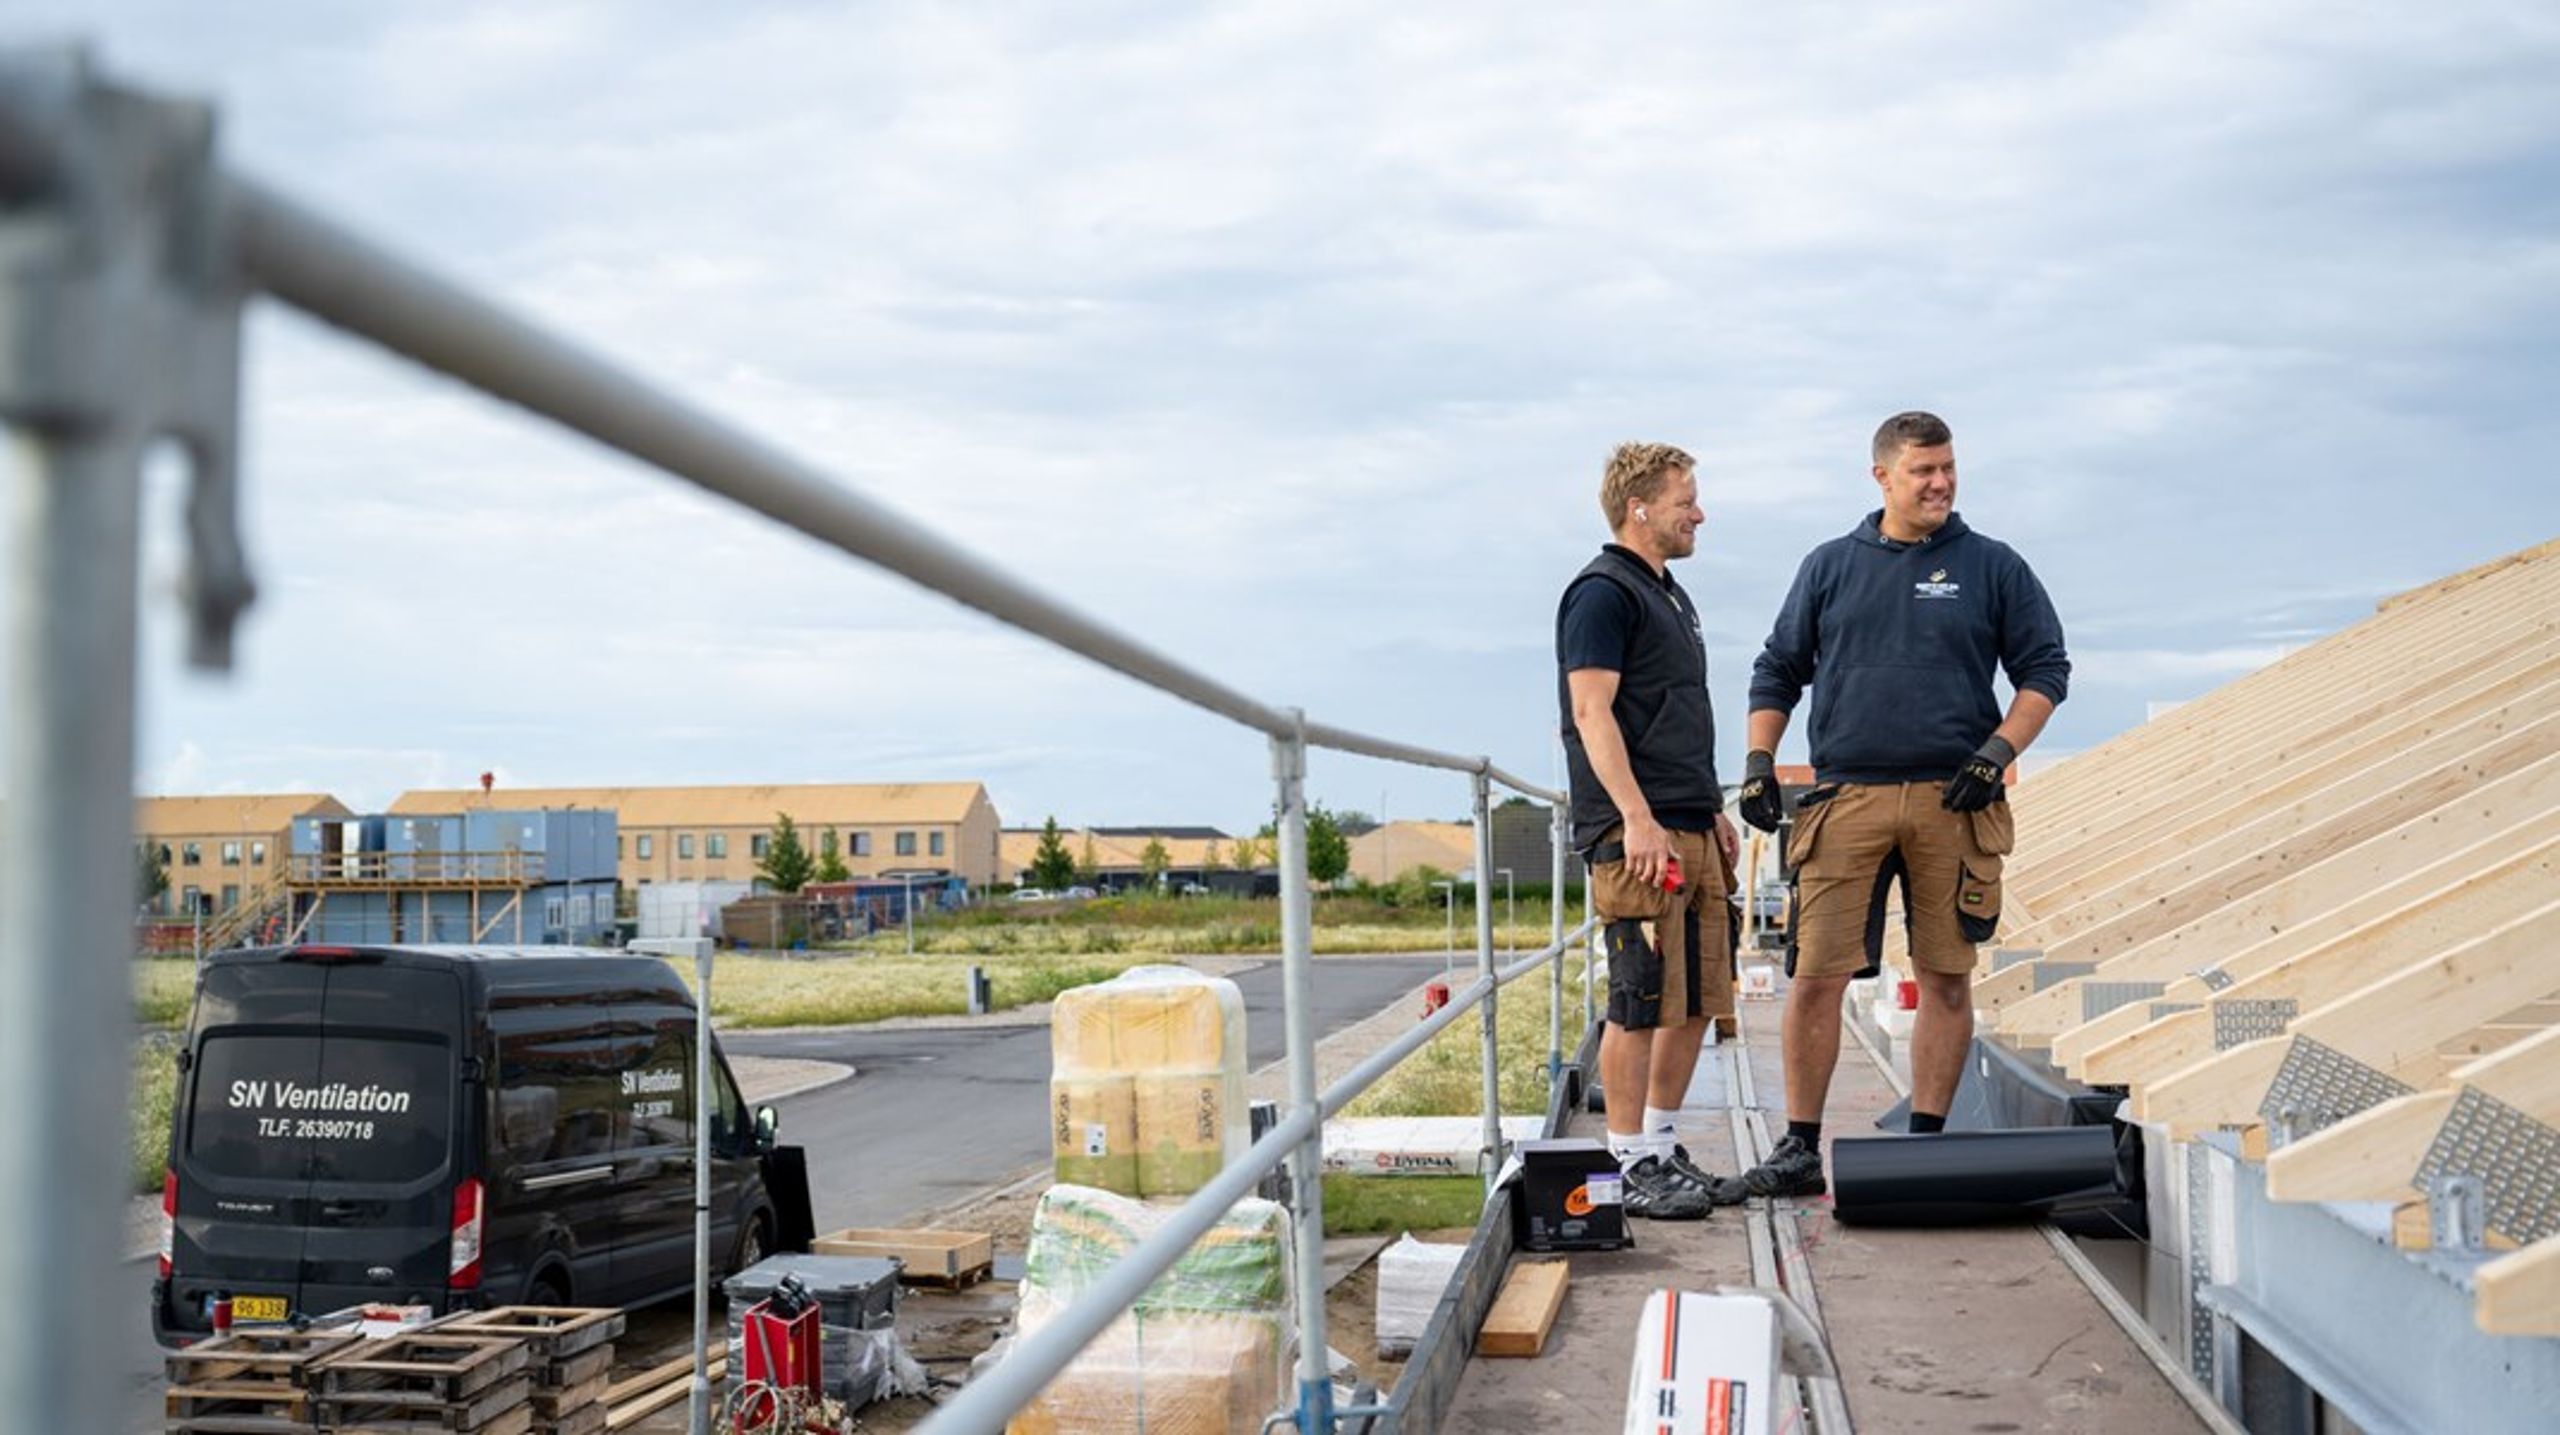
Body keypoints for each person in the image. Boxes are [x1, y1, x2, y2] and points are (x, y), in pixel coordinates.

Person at [1720, 411, 2070, 1202]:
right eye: (1924, 471)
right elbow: (1778, 669)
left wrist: (1996, 754)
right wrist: (1757, 763)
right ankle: (1799, 1147)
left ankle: (1927, 1146)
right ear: (1882, 475)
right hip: (1846, 797)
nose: (1941, 482)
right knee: (1816, 974)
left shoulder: (1992, 566)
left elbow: (2046, 669)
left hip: (1957, 797)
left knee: (1947, 975)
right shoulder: (1830, 565)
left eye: (1948, 467)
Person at [1557, 442, 1742, 1220]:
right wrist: (1634, 816)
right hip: (1636, 831)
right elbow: (1592, 712)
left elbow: (1674, 714)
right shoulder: (1601, 593)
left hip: (1687, 821)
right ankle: (1627, 1161)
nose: (1698, 512)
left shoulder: (1670, 595)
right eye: (1685, 498)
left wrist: (1711, 810)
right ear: (1640, 506)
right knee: (1638, 995)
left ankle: (1661, 1144)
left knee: (1698, 994)